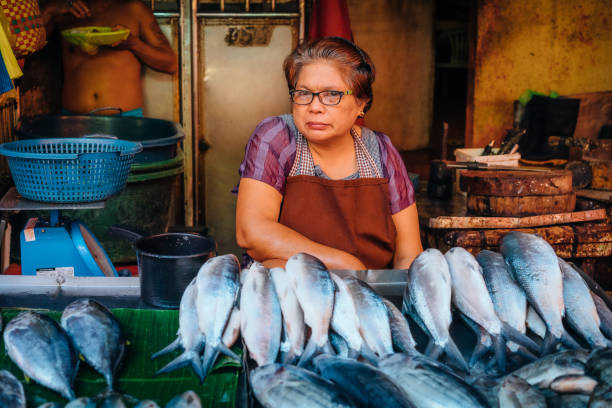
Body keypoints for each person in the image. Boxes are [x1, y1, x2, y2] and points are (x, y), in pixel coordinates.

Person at [236, 36, 423, 270]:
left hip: (372, 296)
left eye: (332, 95)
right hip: (287, 295)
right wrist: (345, 265)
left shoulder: (382, 153)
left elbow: (408, 256)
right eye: (303, 93)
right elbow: (252, 232)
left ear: (361, 103)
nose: (315, 106)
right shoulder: (277, 138)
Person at [41, 0, 178, 116]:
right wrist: (49, 10)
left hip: (125, 120)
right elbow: (24, 48)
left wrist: (134, 44)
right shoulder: (63, 13)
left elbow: (170, 63)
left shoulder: (133, 9)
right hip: (74, 120)